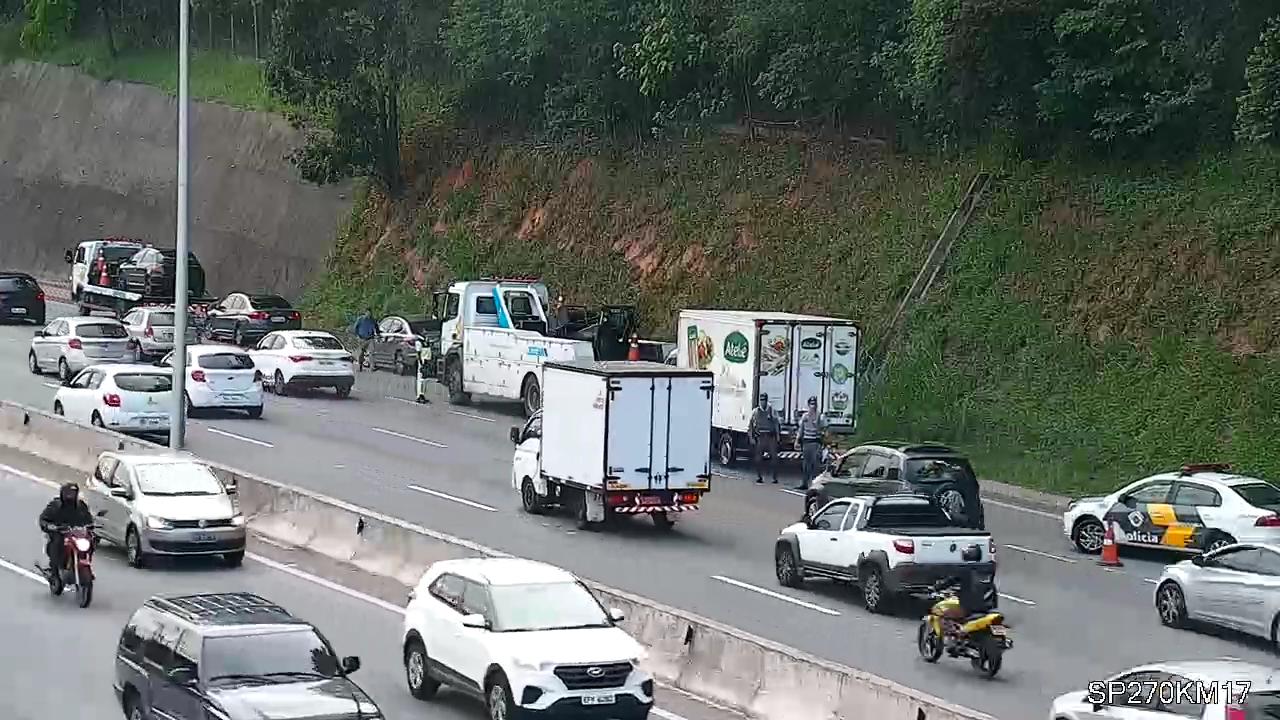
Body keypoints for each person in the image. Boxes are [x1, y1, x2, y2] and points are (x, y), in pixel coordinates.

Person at [935, 544, 998, 625]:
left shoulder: (964, 569)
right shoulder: (987, 568)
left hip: (969, 608)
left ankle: (951, 637)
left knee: (944, 616)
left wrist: (937, 587)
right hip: (989, 608)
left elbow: (950, 581)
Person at [39, 483, 93, 573]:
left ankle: (85, 560)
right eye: (68, 493)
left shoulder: (81, 506)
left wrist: (91, 526)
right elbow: (43, 519)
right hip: (60, 533)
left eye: (73, 493)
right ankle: (55, 569)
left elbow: (89, 519)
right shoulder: (55, 506)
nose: (70, 496)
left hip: (77, 533)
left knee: (90, 540)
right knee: (58, 542)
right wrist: (51, 526)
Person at [794, 396, 827, 490]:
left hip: (815, 443)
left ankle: (814, 484)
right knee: (805, 465)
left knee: (815, 464)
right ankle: (804, 483)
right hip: (806, 442)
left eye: (814, 404)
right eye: (811, 404)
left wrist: (823, 440)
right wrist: (797, 441)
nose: (813, 406)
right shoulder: (805, 416)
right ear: (808, 405)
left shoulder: (820, 416)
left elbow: (825, 429)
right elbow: (801, 430)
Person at [748, 393, 781, 484]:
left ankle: (774, 477)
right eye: (761, 400)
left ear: (766, 400)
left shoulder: (771, 410)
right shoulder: (756, 411)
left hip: (770, 436)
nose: (763, 402)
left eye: (764, 400)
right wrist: (751, 437)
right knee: (758, 458)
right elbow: (750, 425)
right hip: (760, 436)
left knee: (774, 458)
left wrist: (778, 436)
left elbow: (776, 423)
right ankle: (759, 476)